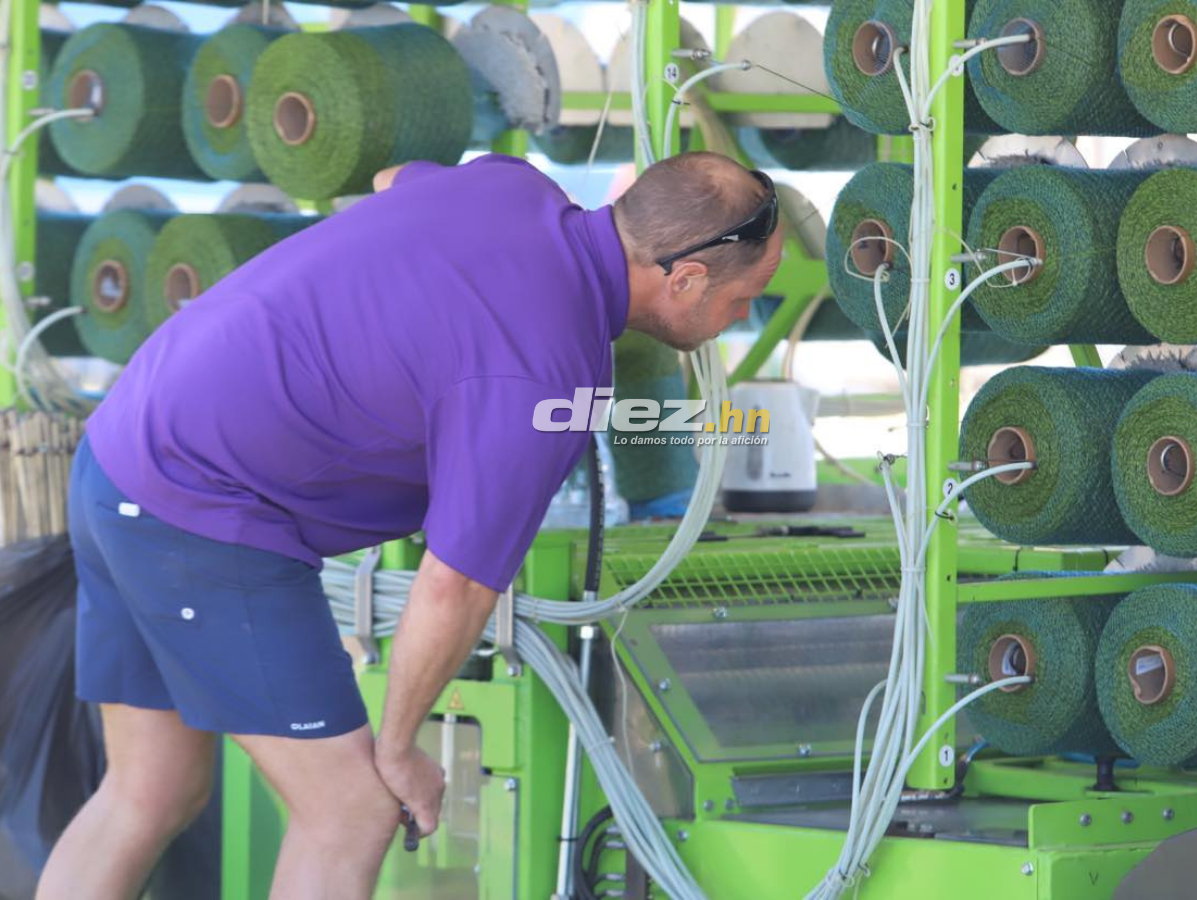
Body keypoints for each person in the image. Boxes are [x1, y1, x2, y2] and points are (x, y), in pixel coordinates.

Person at [37, 150, 782, 900]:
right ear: (685, 279)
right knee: (352, 812)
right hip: (199, 512)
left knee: (149, 792)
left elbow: (392, 180)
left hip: (120, 453)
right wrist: (399, 750)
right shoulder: (547, 371)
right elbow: (453, 584)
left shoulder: (511, 184)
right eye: (747, 295)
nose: (743, 316)